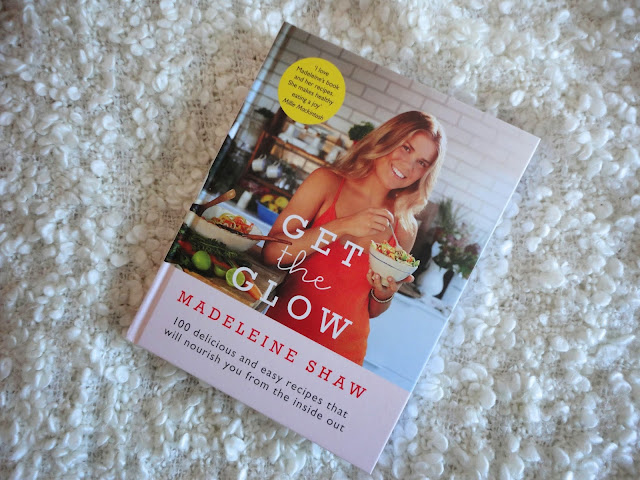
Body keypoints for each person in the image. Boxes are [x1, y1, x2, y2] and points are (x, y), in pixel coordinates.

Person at [262, 111, 447, 365]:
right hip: (279, 334)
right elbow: (271, 253)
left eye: (422, 163)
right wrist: (342, 226)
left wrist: (384, 293)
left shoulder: (405, 227)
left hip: (343, 356)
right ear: (387, 138)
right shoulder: (326, 182)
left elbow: (372, 310)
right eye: (406, 148)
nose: (408, 166)